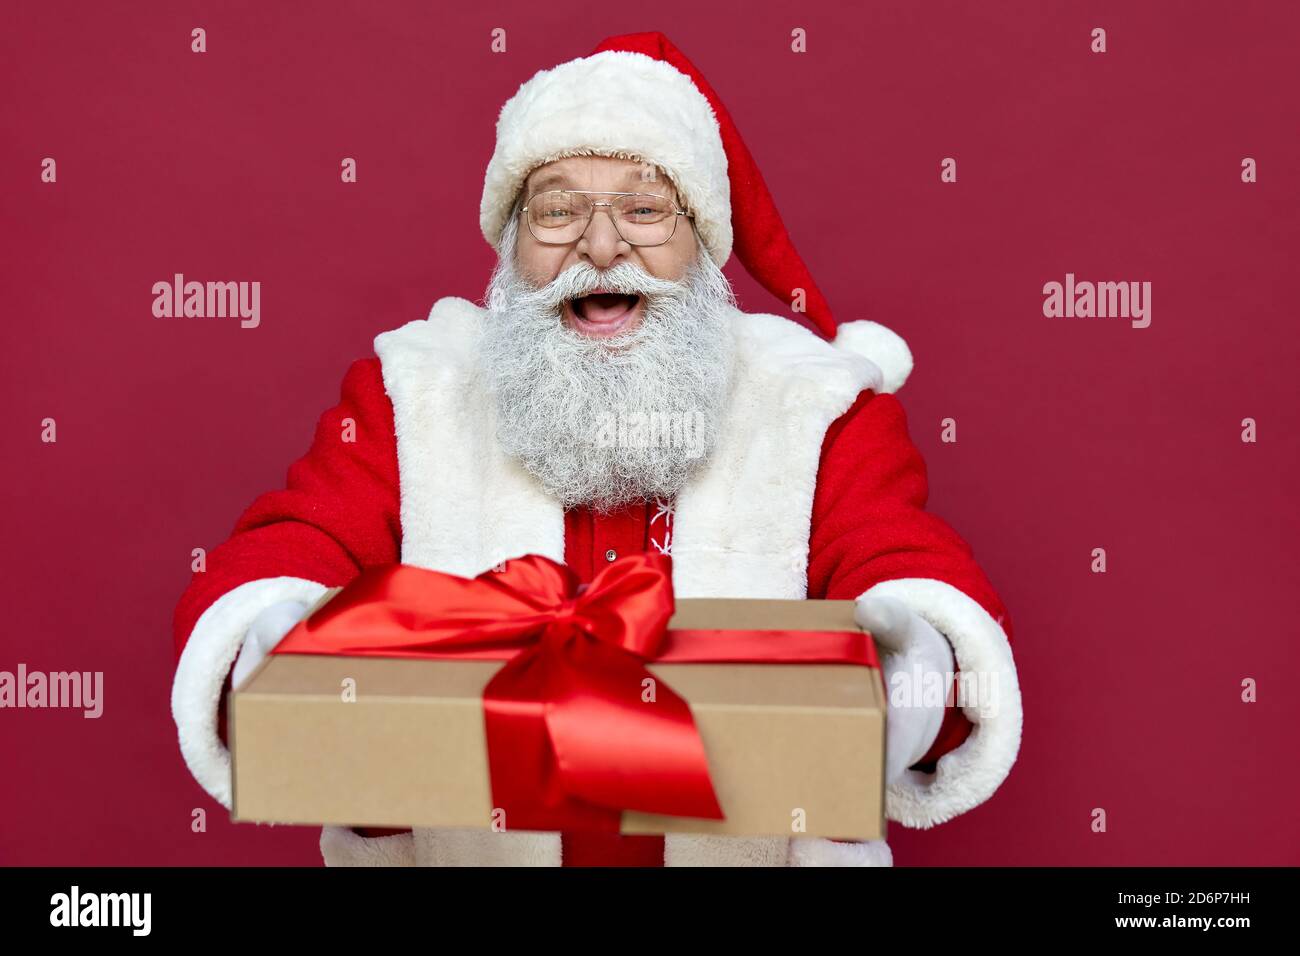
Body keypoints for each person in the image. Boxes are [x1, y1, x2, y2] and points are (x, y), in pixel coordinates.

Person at [170, 30, 1022, 867]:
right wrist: (272, 645)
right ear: (511, 245)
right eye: (556, 210)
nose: (603, 246)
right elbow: (293, 546)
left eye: (646, 208)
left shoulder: (816, 402)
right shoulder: (413, 391)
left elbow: (906, 566)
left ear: (702, 244)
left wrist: (915, 672)